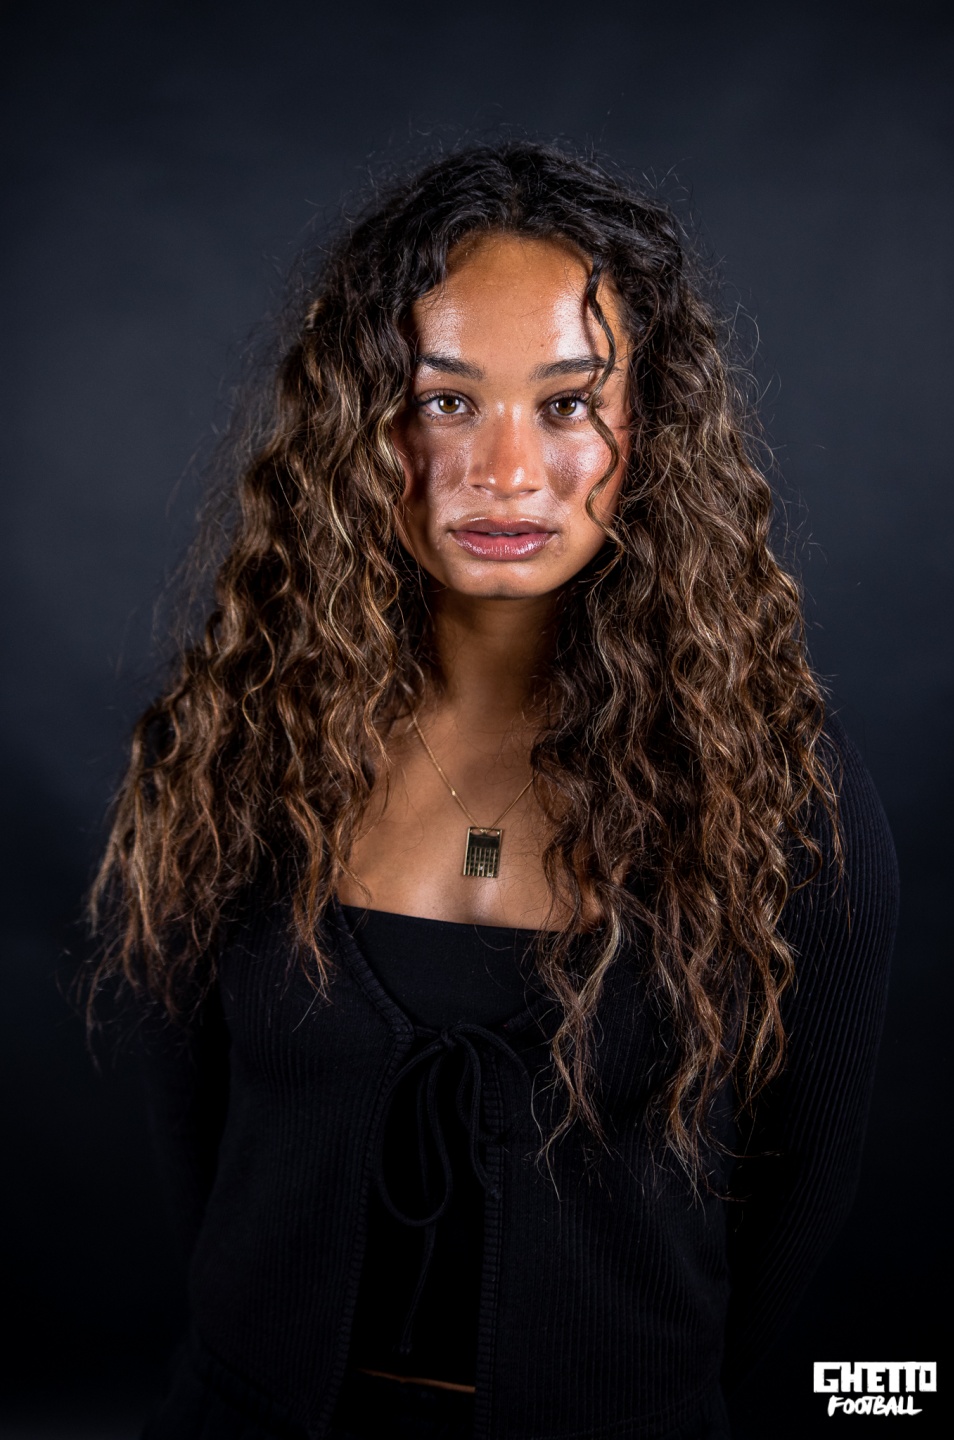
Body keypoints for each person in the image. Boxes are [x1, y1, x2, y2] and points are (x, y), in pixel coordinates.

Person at [92, 142, 898, 1440]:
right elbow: (196, 1142)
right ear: (357, 417)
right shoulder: (237, 743)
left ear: (651, 425)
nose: (508, 470)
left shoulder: (776, 787)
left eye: (569, 403)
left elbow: (801, 1185)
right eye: (445, 400)